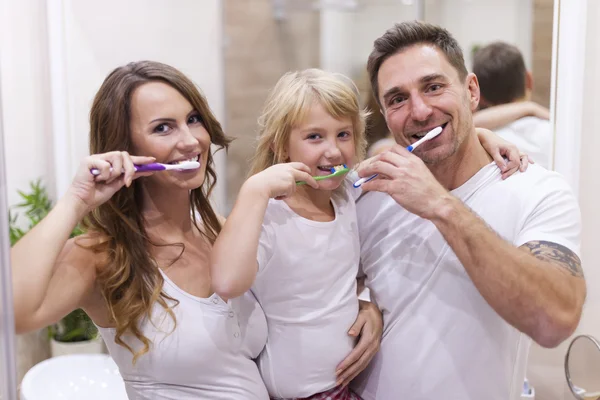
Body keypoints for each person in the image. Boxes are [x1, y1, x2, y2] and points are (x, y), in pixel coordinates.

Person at [351, 21, 585, 400]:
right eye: (397, 99)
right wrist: (363, 302)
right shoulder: (370, 194)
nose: (420, 110)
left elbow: (555, 320)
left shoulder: (536, 191)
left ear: (471, 91)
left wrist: (441, 205)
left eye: (433, 86)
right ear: (385, 113)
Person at [10, 61, 271, 399]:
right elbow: (11, 312)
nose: (191, 140)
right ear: (125, 147)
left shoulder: (219, 231)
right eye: (164, 128)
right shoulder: (102, 257)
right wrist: (76, 200)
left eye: (193, 119)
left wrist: (364, 307)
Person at [210, 69, 379, 400]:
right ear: (281, 147)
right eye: (315, 137)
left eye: (343, 134)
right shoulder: (269, 216)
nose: (333, 151)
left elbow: (413, 160)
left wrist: (488, 139)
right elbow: (227, 283)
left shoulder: (347, 193)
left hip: (346, 386)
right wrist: (254, 191)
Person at [473, 41, 552, 169]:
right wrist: (530, 107)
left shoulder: (476, 141)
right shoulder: (552, 133)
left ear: (478, 94)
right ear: (529, 80)